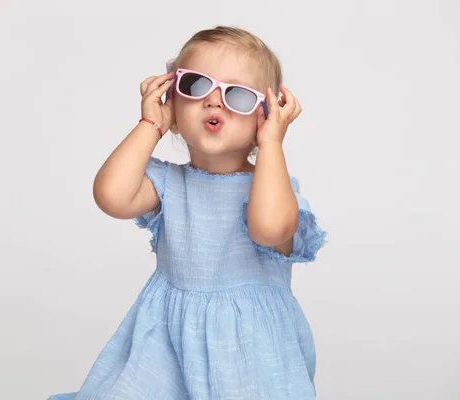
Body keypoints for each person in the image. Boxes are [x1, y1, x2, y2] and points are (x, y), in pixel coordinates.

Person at [48, 25, 327, 400]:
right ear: (173, 103)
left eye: (238, 96)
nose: (213, 101)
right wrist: (151, 125)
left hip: (248, 352)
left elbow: (270, 228)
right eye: (195, 86)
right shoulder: (168, 182)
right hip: (166, 343)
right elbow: (112, 197)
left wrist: (272, 143)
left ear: (264, 115)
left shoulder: (272, 189)